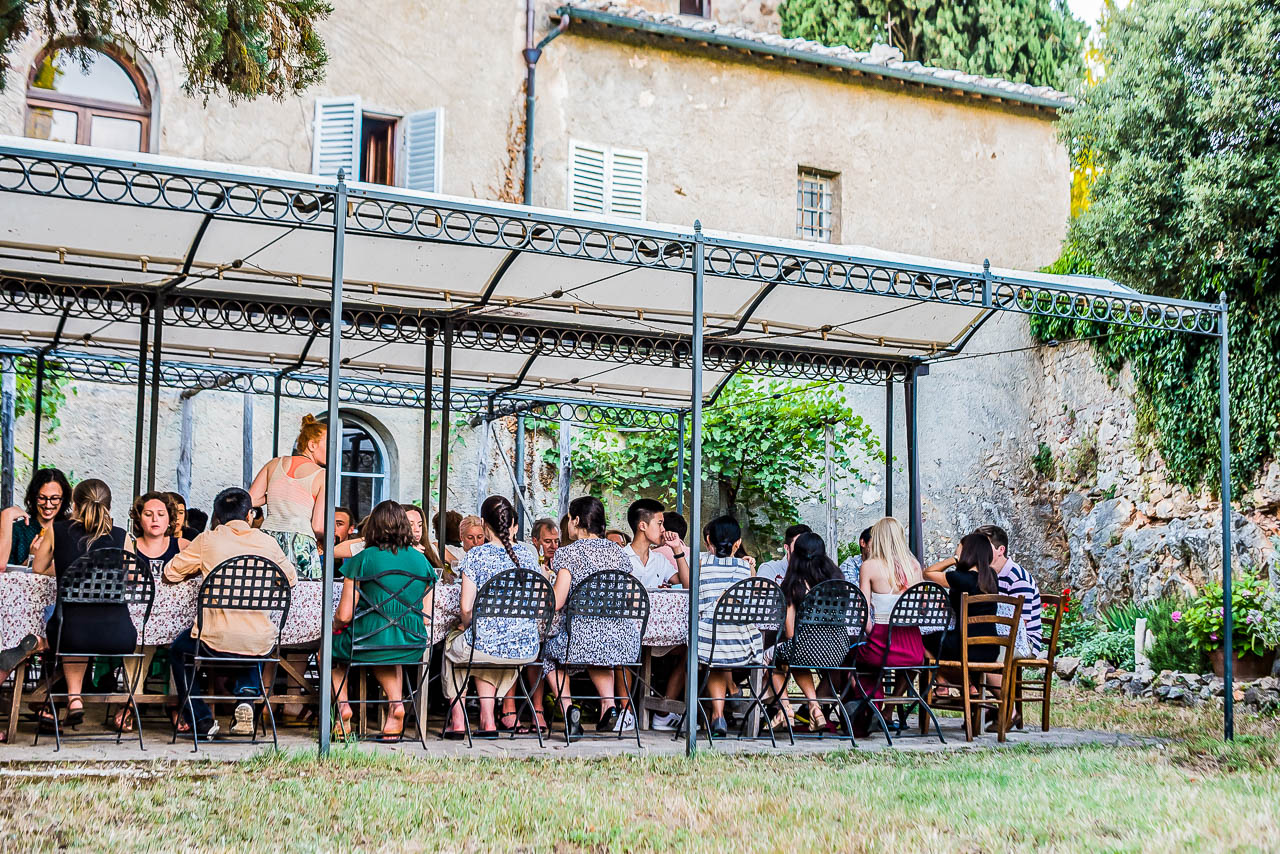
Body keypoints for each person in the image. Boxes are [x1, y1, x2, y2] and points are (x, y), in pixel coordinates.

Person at [164, 488, 297, 738]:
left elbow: (170, 572)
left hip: (214, 639)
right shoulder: (267, 542)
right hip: (258, 639)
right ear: (249, 515)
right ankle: (246, 697)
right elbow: (290, 579)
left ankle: (202, 719)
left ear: (217, 516)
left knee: (179, 652)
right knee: (251, 637)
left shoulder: (207, 540)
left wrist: (199, 569)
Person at [31, 479, 132, 732]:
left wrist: (69, 569)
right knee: (83, 624)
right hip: (119, 635)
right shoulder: (122, 536)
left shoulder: (58, 530)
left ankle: (74, 698)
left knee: (74, 625)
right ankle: (78, 699)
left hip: (71, 633)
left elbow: (38, 568)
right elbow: (130, 575)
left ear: (74, 504)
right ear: (109, 506)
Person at [332, 500, 437, 742]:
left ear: (374, 527)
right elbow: (427, 612)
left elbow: (345, 615)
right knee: (387, 651)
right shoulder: (422, 560)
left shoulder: (364, 558)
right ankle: (395, 707)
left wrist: (335, 628)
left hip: (369, 638)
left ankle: (343, 710)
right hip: (412, 640)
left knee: (328, 651)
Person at [442, 495, 541, 739]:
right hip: (525, 648)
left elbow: (466, 609)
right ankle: (487, 720)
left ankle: (457, 721)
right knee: (484, 649)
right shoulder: (528, 556)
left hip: (487, 645)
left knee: (454, 645)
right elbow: (539, 604)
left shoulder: (476, 556)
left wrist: (468, 627)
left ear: (484, 524)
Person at [542, 496, 640, 738]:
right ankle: (609, 706)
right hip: (621, 643)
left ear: (575, 521)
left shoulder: (568, 554)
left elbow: (558, 602)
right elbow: (630, 598)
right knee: (598, 653)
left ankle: (568, 710)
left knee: (547, 653)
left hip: (579, 640)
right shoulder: (618, 553)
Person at [852, 517, 925, 725]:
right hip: (913, 645)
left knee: (854, 656)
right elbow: (920, 606)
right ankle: (888, 710)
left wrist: (871, 631)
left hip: (882, 644)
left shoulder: (869, 566)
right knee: (910, 664)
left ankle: (871, 705)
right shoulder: (914, 566)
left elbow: (863, 612)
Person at [768, 532, 842, 733]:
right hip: (838, 650)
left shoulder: (794, 584)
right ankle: (815, 707)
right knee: (798, 654)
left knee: (771, 658)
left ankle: (785, 708)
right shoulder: (837, 580)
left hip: (804, 647)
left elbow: (790, 633)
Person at [696, 515, 758, 738]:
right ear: (738, 543)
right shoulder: (745, 568)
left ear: (709, 539)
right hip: (741, 642)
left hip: (708, 642)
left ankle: (718, 715)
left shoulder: (701, 565)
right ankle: (727, 699)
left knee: (715, 653)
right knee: (722, 647)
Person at [248, 414, 327, 580]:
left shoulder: (274, 463)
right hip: (301, 542)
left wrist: (278, 495)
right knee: (304, 596)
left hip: (268, 539)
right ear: (312, 445)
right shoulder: (322, 476)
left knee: (265, 594)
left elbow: (252, 499)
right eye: (329, 445)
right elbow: (318, 526)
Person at [922, 533, 1001, 664]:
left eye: (959, 546)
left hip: (965, 646)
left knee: (921, 638)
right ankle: (968, 683)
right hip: (990, 648)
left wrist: (954, 559)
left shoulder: (960, 578)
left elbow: (927, 573)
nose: (956, 550)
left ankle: (942, 680)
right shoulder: (991, 577)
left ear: (966, 550)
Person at [977, 524, 1043, 657]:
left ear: (1001, 550)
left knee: (983, 653)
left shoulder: (1018, 579)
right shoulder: (986, 575)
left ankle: (999, 678)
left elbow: (1020, 624)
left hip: (1024, 642)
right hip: (997, 636)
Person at [0, 467, 71, 567]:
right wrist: (32, 558)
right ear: (33, 497)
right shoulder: (16, 531)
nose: (48, 505)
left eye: (54, 498)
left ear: (63, 499)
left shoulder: (70, 530)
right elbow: (5, 576)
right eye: (42, 498)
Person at [623, 499, 688, 589]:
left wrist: (677, 549)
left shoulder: (659, 560)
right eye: (659, 523)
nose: (663, 529)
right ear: (643, 526)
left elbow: (687, 586)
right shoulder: (622, 557)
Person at [127, 491, 189, 578]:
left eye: (161, 514)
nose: (155, 519)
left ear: (170, 518)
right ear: (139, 519)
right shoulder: (129, 546)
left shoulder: (183, 546)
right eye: (148, 514)